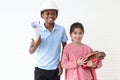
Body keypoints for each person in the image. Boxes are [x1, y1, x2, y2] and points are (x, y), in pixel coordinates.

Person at [29, 0, 68, 80]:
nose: (50, 16)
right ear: (42, 15)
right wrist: (36, 44)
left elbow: (65, 48)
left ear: (56, 15)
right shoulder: (37, 30)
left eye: (53, 13)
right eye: (47, 13)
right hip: (40, 69)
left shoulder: (61, 30)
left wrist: (61, 62)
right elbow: (30, 51)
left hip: (55, 69)